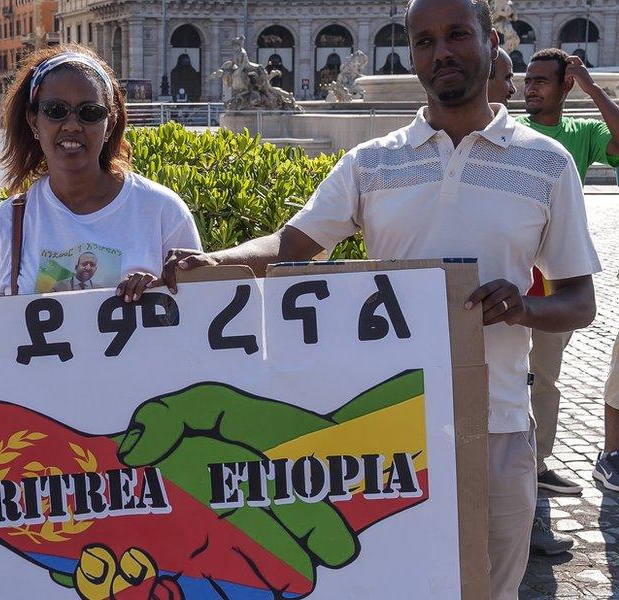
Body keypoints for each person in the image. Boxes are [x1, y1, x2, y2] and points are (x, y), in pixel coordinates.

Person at [162, 1, 598, 597]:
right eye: (423, 41)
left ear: (493, 41)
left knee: (494, 588)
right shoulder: (372, 162)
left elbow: (580, 301)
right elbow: (292, 246)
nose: (440, 52)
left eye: (456, 35)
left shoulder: (547, 163)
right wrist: (213, 262)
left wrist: (522, 306)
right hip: (385, 434)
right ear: (413, 53)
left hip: (495, 425)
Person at [0, 45, 201, 302]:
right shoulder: (4, 223)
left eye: (90, 113)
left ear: (110, 124)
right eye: (55, 110)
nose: (72, 125)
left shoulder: (163, 211)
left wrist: (160, 294)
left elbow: (196, 310)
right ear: (33, 120)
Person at [517, 49, 619, 502]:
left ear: (565, 86)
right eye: (527, 79)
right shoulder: (510, 130)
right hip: (512, 266)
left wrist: (595, 89)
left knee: (545, 372)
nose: (531, 87)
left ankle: (536, 464)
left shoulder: (582, 132)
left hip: (556, 272)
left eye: (541, 80)